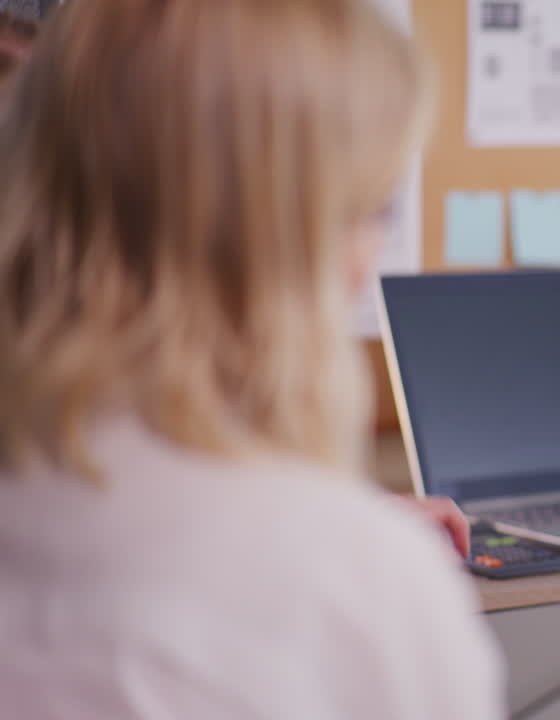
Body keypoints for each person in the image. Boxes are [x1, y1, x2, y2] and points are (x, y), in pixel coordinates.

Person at [0, 1, 502, 718]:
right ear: (280, 239)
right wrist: (335, 533)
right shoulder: (366, 593)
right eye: (373, 211)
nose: (369, 261)